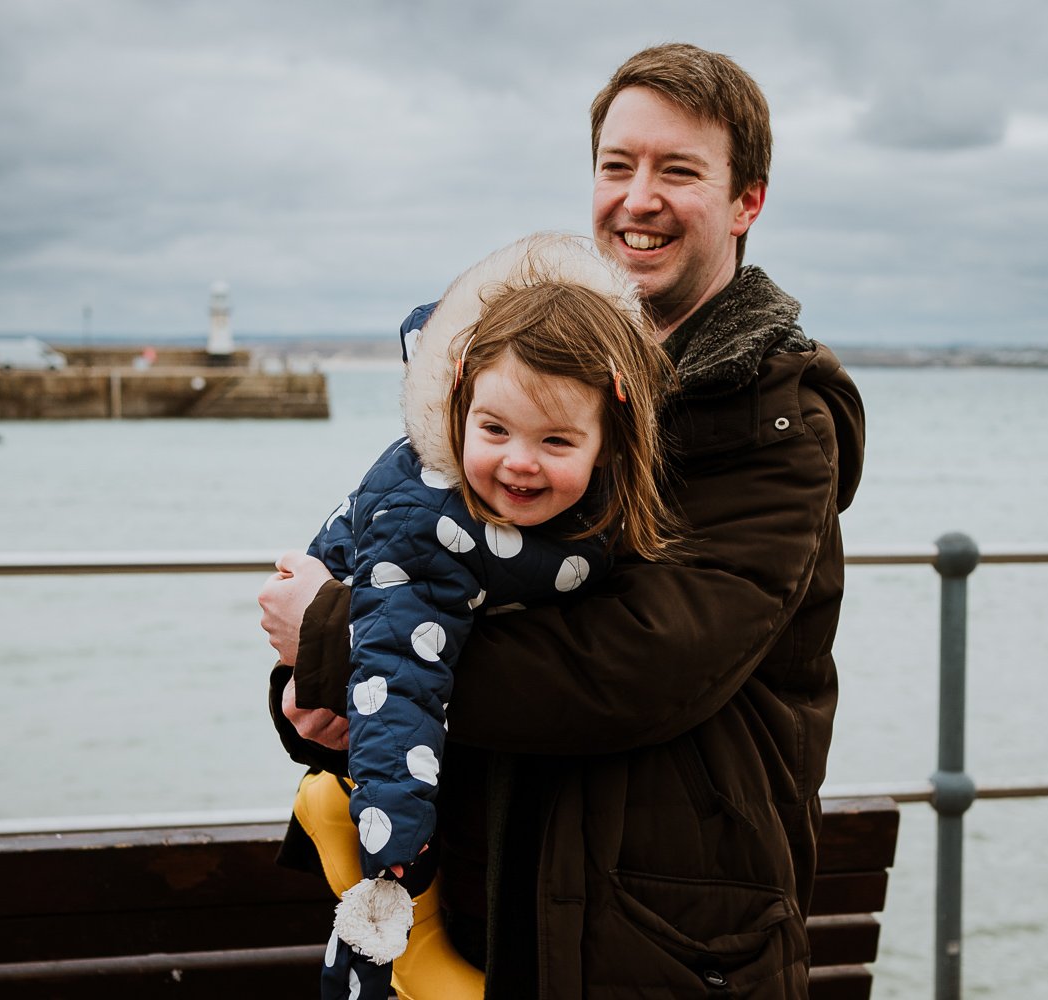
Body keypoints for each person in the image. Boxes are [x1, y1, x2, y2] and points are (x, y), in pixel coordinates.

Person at [263, 42, 866, 998]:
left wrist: (336, 642)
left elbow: (631, 669)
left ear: (747, 201)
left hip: (668, 940)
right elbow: (424, 563)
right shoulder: (542, 370)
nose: (639, 198)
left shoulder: (775, 420)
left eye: (679, 171)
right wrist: (315, 701)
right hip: (496, 907)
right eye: (618, 165)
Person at [278, 232, 675, 1000]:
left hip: (455, 765)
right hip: (382, 769)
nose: (520, 461)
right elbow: (398, 678)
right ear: (460, 402)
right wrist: (393, 856)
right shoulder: (427, 525)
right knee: (399, 951)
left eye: (556, 440)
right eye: (494, 431)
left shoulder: (587, 506)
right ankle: (372, 871)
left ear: (609, 443)